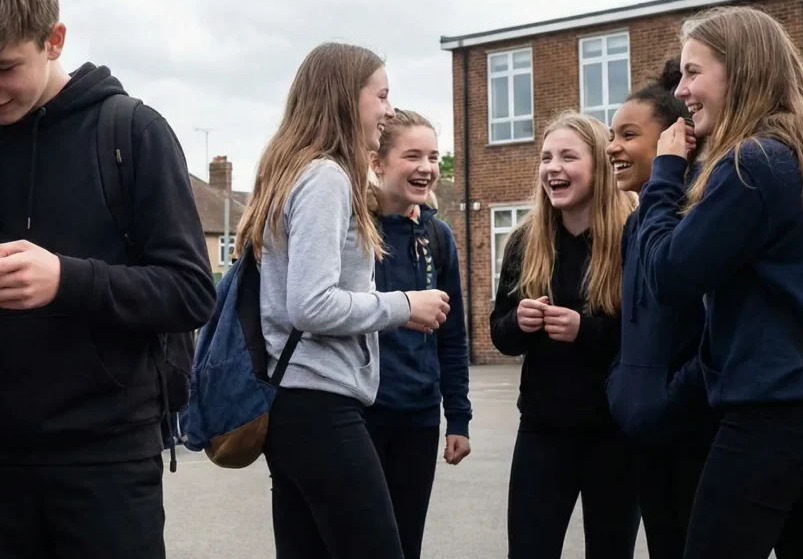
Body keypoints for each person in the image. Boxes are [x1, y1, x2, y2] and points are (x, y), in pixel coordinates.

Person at [0, 0, 215, 559]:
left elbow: (191, 292)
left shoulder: (132, 133)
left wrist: (65, 280)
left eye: (3, 67)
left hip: (108, 462)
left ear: (54, 40)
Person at [636, 5, 803, 558]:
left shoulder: (754, 165)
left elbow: (668, 275)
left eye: (694, 72)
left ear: (741, 71)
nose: (681, 90)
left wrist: (666, 173)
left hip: (769, 415)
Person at [234, 42, 451, 559]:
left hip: (292, 403)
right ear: (346, 97)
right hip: (318, 405)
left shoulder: (294, 172)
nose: (389, 110)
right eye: (382, 95)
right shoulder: (326, 177)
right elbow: (311, 305)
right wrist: (404, 305)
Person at [490, 112, 639, 559]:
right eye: (546, 157)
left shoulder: (632, 235)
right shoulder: (525, 240)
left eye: (568, 157)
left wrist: (584, 330)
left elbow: (647, 335)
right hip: (543, 429)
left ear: (599, 165)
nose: (553, 167)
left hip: (614, 433)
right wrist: (518, 322)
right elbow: (501, 334)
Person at [604, 60, 718, 559]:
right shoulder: (637, 222)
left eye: (629, 135)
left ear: (676, 140)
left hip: (691, 431)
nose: (613, 147)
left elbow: (718, 327)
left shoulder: (696, 214)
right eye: (612, 135)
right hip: (646, 431)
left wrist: (672, 395)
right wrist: (623, 383)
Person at [364, 107, 472, 559]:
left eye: (432, 156)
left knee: (407, 543)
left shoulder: (438, 236)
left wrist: (458, 417)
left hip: (420, 415)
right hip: (361, 413)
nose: (426, 167)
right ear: (377, 162)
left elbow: (453, 335)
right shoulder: (355, 229)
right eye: (413, 156)